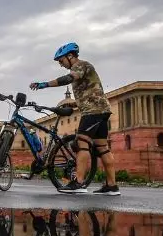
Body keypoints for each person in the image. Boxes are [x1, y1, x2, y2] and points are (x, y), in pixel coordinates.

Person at [30, 43, 120, 196]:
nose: (61, 64)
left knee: (81, 144)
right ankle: (112, 186)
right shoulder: (84, 68)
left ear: (70, 56)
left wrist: (44, 84)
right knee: (102, 148)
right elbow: (89, 91)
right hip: (100, 110)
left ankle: (78, 182)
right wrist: (74, 103)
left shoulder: (80, 65)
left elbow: (67, 79)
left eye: (61, 60)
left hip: (93, 112)